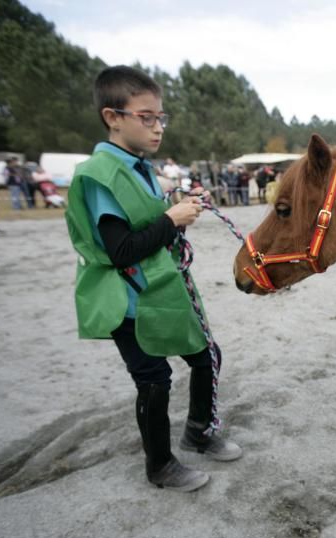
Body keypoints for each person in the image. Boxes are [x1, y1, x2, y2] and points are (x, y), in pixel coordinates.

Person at [64, 65, 242, 492]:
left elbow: (149, 226)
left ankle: (198, 431)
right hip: (128, 301)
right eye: (146, 117)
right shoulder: (99, 174)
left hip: (162, 288)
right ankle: (159, 465)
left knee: (205, 355)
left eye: (161, 117)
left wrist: (180, 212)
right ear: (113, 117)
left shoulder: (139, 166)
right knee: (154, 379)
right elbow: (119, 250)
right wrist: (171, 218)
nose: (158, 127)